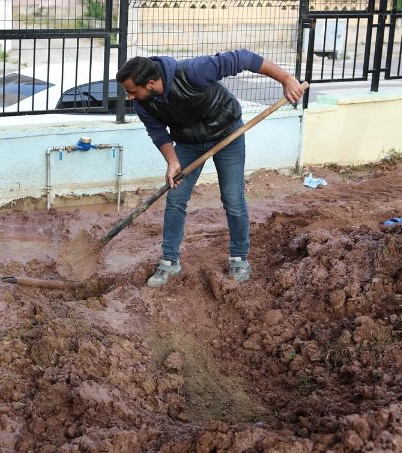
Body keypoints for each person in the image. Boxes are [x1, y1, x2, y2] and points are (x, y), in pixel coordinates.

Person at [116, 50, 304, 288]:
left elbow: (244, 58)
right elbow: (157, 132)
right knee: (176, 199)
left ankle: (239, 257)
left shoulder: (194, 71)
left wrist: (286, 79)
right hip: (187, 142)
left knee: (233, 199)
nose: (130, 97)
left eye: (132, 91)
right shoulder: (144, 103)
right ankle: (170, 260)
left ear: (151, 83)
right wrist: (172, 161)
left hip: (228, 134)